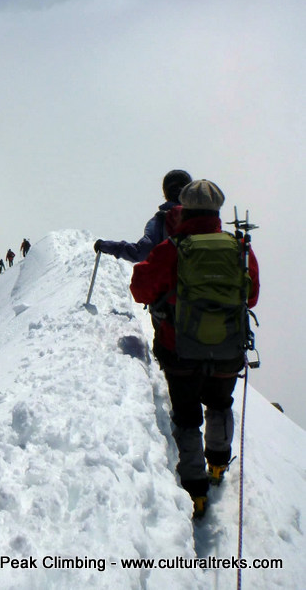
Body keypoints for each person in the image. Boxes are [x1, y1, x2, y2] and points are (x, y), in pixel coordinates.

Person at [130, 180, 259, 518]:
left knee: (187, 418)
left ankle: (195, 491)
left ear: (183, 209)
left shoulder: (173, 248)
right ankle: (217, 466)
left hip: (180, 349)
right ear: (217, 211)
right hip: (228, 349)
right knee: (219, 404)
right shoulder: (239, 247)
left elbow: (140, 290)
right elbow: (252, 295)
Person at [95, 170, 192, 263]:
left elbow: (142, 252)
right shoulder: (204, 215)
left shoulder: (161, 219)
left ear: (166, 193)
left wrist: (107, 246)